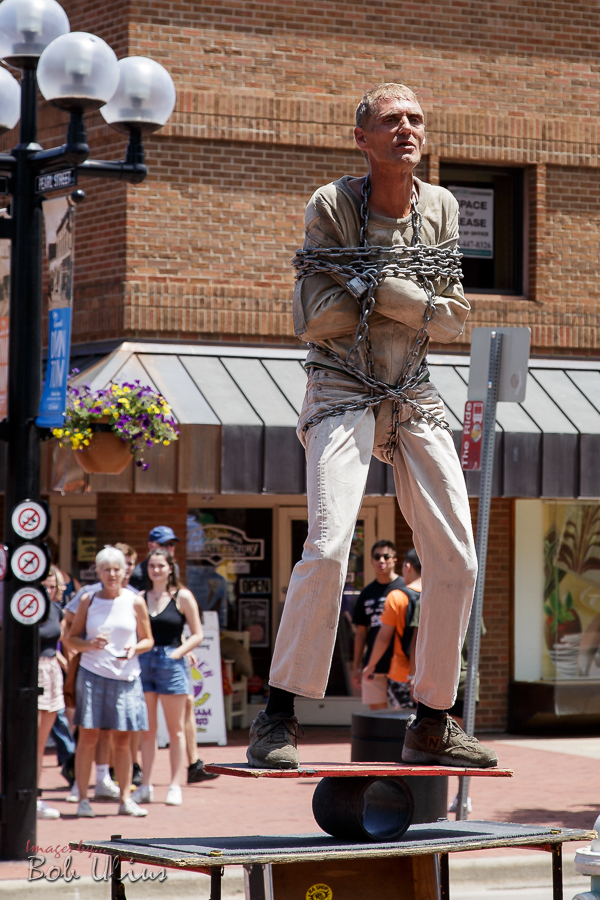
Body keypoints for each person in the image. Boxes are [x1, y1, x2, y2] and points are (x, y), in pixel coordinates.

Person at [247, 82, 497, 770]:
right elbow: (315, 317)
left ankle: (433, 719)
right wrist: (413, 299)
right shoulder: (332, 205)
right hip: (341, 386)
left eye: (415, 118)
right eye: (391, 120)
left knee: (458, 558)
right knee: (328, 546)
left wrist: (372, 285)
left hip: (413, 388)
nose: (406, 128)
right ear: (363, 138)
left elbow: (455, 318)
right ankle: (277, 716)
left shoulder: (441, 207)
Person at [65, 546, 153, 818]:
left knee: (123, 740)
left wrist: (134, 649)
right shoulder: (88, 599)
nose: (112, 574)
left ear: (125, 571)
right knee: (88, 737)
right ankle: (82, 799)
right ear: (98, 572)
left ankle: (125, 798)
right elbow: (71, 639)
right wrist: (90, 644)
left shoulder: (135, 600)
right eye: (106, 570)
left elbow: (148, 640)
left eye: (117, 569)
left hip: (126, 676)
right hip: (93, 674)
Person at [132, 548, 204, 806]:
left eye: (161, 565)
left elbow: (197, 633)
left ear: (170, 568)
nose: (156, 570)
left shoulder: (182, 596)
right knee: (147, 730)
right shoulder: (140, 597)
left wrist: (178, 653)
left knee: (176, 730)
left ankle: (174, 785)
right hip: (144, 661)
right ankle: (146, 785)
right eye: (152, 566)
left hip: (171, 663)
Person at [363, 548, 421, 709]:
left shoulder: (397, 596)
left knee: (402, 722)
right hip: (430, 673)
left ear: (408, 566)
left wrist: (370, 666)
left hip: (402, 673)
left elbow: (384, 637)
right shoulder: (435, 597)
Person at [352, 540, 405, 710]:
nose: (381, 560)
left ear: (394, 560)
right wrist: (356, 667)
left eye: (386, 556)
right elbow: (361, 633)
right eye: (377, 557)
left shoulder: (405, 588)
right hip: (374, 666)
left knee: (403, 718)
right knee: (378, 717)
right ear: (371, 561)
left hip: (402, 664)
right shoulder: (367, 593)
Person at [37, 567, 69, 819]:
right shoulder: (25, 609)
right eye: (43, 586)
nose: (47, 591)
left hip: (52, 673)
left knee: (39, 743)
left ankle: (35, 798)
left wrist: (62, 659)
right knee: (26, 741)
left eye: (52, 586)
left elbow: (57, 641)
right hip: (31, 672)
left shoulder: (57, 610)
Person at [128, 526, 180, 592]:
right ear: (150, 546)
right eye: (163, 544)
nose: (169, 548)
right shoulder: (137, 574)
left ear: (170, 568)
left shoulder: (175, 567)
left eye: (172, 544)